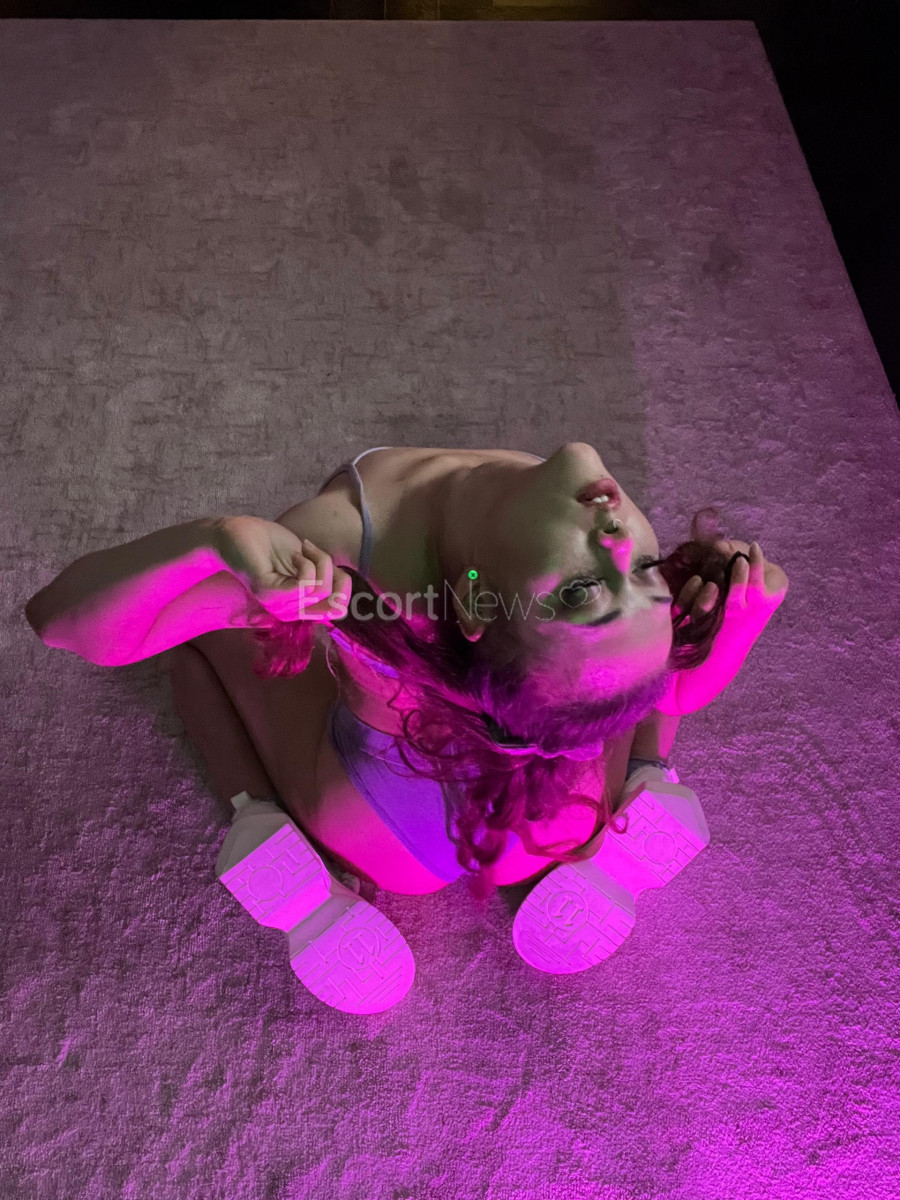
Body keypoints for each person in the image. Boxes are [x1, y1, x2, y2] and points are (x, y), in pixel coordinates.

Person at [23, 441, 788, 982]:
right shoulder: (566, 541)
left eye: (584, 589)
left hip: (384, 835)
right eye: (645, 568)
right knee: (626, 675)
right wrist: (736, 625)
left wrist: (215, 542)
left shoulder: (342, 559)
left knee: (190, 648)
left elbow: (62, 621)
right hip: (554, 817)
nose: (623, 544)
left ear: (477, 600)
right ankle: (647, 777)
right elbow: (672, 691)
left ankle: (257, 814)